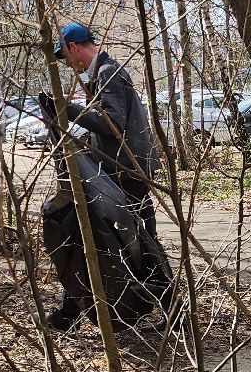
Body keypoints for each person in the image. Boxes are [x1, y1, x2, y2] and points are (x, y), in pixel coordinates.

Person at [40, 23, 172, 331]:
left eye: (65, 56)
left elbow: (111, 124)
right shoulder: (102, 73)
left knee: (138, 243)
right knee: (100, 238)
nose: (68, 64)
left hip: (127, 174)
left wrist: (67, 109)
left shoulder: (108, 73)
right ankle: (70, 312)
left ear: (74, 48)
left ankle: (174, 310)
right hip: (120, 172)